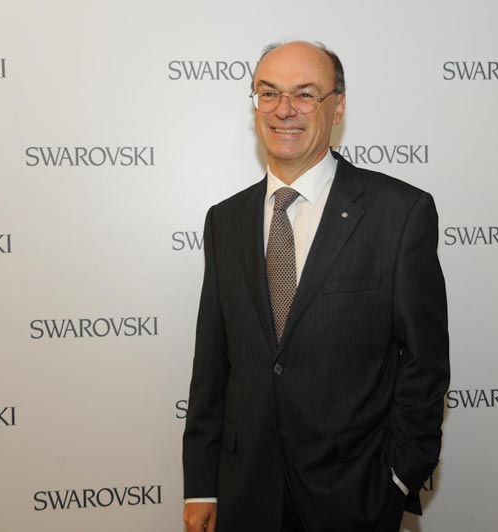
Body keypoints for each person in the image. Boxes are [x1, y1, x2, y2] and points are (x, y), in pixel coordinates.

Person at [182, 40, 449, 532]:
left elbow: (425, 362)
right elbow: (212, 363)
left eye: (305, 94)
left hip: (354, 495)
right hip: (245, 493)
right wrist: (202, 484)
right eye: (268, 93)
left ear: (338, 106)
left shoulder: (399, 213)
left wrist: (396, 477)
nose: (283, 109)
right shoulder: (225, 220)